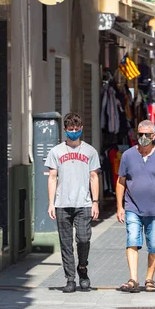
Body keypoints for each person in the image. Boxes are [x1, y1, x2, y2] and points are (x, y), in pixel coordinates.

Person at [116, 120, 155, 292]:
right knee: (132, 240)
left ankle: (149, 279)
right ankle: (133, 279)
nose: (142, 137)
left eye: (146, 135)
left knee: (154, 244)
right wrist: (119, 207)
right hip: (132, 207)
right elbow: (121, 182)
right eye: (140, 134)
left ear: (153, 136)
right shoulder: (127, 155)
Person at [46, 112, 100, 293]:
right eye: (70, 129)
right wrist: (51, 203)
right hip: (62, 203)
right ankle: (70, 278)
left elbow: (94, 177)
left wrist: (95, 202)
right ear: (65, 130)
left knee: (84, 239)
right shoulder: (56, 151)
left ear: (81, 129)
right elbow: (52, 177)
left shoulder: (90, 151)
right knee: (66, 242)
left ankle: (82, 268)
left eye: (77, 129)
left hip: (84, 203)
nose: (74, 132)